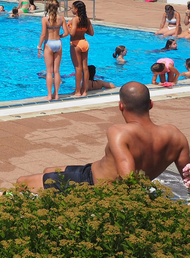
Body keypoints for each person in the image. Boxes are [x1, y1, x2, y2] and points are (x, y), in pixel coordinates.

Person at [17, 81, 190, 192]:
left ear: (121, 106)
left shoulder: (120, 132)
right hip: (90, 170)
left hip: (91, 184)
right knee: (48, 171)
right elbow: (188, 178)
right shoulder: (175, 135)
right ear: (150, 104)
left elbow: (127, 177)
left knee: (22, 182)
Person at [38, 0, 67, 101]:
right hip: (58, 43)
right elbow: (67, 32)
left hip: (49, 44)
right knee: (57, 71)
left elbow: (42, 34)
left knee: (49, 72)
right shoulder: (61, 19)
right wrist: (59, 36)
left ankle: (50, 95)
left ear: (47, 8)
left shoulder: (45, 19)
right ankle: (57, 94)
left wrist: (39, 47)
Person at [67, 0, 93, 97]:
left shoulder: (75, 19)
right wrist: (82, 29)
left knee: (78, 68)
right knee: (85, 68)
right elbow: (91, 33)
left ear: (76, 9)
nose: (71, 10)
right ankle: (84, 91)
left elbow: (72, 33)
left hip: (76, 43)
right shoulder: (87, 20)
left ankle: (77, 92)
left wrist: (68, 26)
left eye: (72, 8)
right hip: (84, 42)